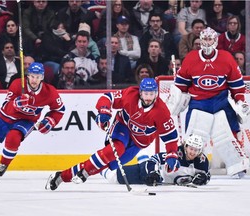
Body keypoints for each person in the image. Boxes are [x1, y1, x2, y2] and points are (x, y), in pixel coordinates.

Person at [46, 78, 180, 191]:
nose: (149, 98)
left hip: (139, 143)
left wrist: (172, 154)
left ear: (156, 94)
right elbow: (108, 97)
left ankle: (62, 176)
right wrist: (104, 111)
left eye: (152, 94)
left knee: (109, 164)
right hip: (123, 127)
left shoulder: (161, 112)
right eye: (146, 94)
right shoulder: (130, 95)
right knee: (115, 150)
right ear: (140, 93)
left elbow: (170, 137)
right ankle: (85, 173)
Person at [167, 27, 250, 178]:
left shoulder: (226, 58)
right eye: (204, 39)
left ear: (215, 40)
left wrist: (240, 101)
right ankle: (188, 165)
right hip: (199, 102)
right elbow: (181, 85)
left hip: (221, 102)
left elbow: (236, 86)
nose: (207, 42)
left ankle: (238, 167)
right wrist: (176, 99)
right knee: (194, 139)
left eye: (209, 39)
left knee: (227, 135)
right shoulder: (191, 58)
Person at [0, 62, 65, 179]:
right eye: (32, 76)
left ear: (42, 77)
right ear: (28, 76)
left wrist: (50, 120)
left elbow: (59, 110)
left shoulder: (49, 92)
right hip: (5, 117)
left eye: (37, 77)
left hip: (26, 121)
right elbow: (6, 104)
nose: (34, 80)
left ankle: (4, 164)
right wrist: (16, 104)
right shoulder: (17, 84)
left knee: (13, 137)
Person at [102, 134, 210, 186]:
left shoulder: (201, 161)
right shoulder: (176, 154)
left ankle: (142, 156)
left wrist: (204, 178)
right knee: (114, 178)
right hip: (148, 173)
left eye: (196, 150)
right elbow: (154, 159)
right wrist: (153, 173)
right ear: (186, 147)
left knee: (144, 164)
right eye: (191, 148)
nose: (193, 152)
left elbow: (206, 174)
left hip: (162, 182)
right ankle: (102, 169)